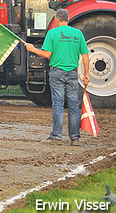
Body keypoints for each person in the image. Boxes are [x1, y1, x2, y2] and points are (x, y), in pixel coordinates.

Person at [25, 8, 90, 146]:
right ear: (67, 19)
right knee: (73, 106)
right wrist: (86, 74)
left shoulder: (52, 33)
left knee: (58, 105)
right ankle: (75, 138)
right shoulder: (78, 34)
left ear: (56, 20)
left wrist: (33, 49)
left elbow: (47, 54)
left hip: (57, 73)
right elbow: (85, 55)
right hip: (73, 73)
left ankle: (56, 136)